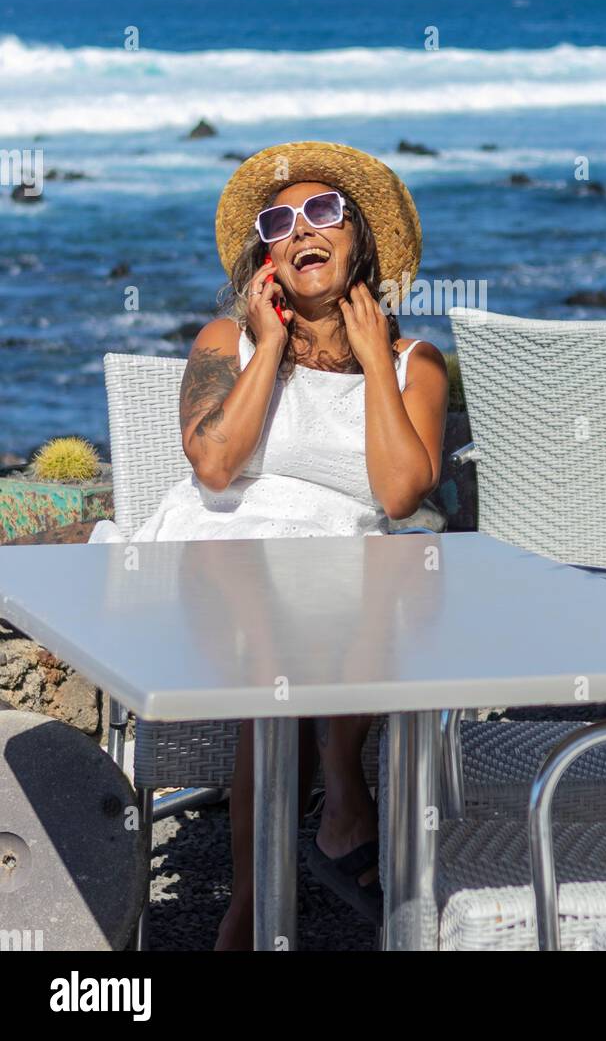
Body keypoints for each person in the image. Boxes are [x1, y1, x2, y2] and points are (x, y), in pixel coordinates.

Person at [91, 141, 448, 948]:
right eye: (279, 222)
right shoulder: (226, 342)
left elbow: (397, 492)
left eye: (323, 212)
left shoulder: (413, 364)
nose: (301, 230)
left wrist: (368, 359)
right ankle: (333, 814)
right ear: (266, 260)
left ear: (357, 238)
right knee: (267, 617)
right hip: (219, 552)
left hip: (344, 568)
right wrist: (270, 347)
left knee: (363, 581)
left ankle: (250, 913)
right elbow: (215, 467)